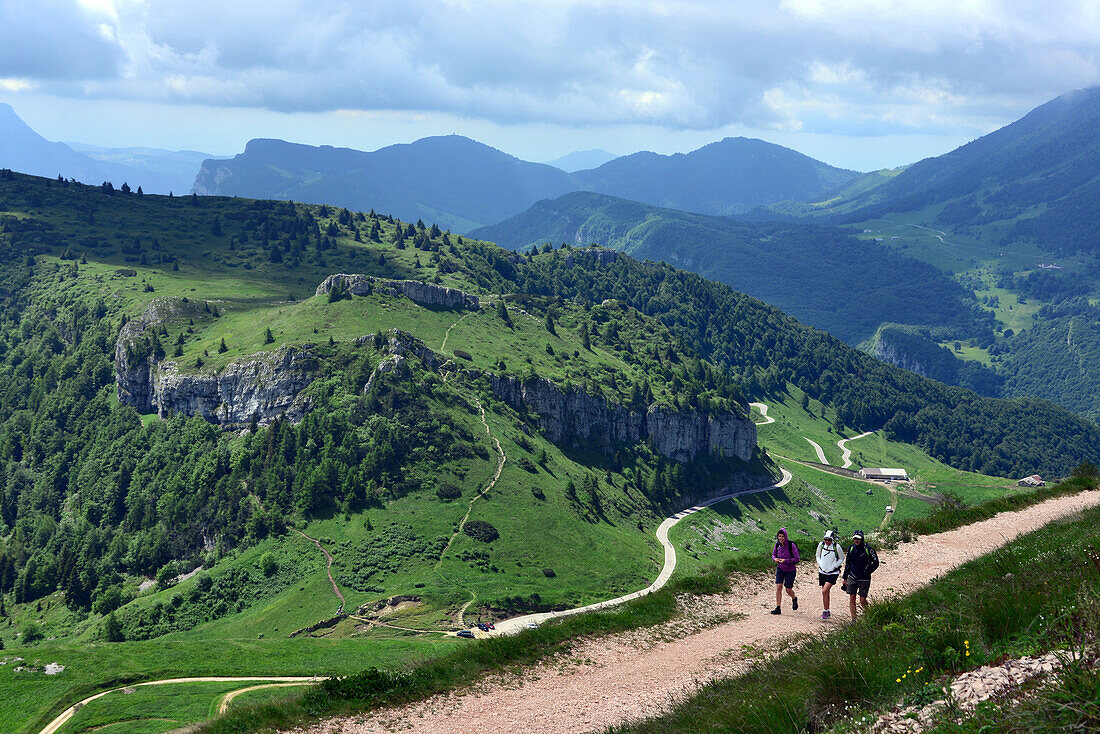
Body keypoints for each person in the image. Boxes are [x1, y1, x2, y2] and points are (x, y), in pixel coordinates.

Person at [841, 529, 879, 618]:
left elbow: (876, 562)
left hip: (864, 578)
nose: (856, 540)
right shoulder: (851, 548)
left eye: (858, 539)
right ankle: (854, 619)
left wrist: (868, 571)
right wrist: (845, 577)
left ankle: (869, 613)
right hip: (852, 576)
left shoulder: (869, 549)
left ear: (862, 539)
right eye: (855, 538)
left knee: (862, 600)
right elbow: (848, 563)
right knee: (852, 598)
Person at [815, 529, 845, 620]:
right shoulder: (821, 545)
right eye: (826, 539)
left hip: (833, 573)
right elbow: (817, 555)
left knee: (824, 590)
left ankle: (826, 610)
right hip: (822, 571)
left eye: (829, 540)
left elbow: (841, 558)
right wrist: (820, 564)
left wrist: (834, 566)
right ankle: (826, 610)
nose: (827, 542)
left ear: (832, 540)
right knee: (826, 592)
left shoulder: (837, 547)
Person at [770, 528, 799, 614]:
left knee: (788, 590)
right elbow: (773, 554)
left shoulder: (791, 545)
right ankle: (778, 608)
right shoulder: (777, 545)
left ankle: (794, 598)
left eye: (783, 536)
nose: (781, 538)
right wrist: (775, 559)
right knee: (779, 587)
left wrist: (786, 561)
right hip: (780, 568)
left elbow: (797, 558)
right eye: (779, 536)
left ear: (785, 536)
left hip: (790, 570)